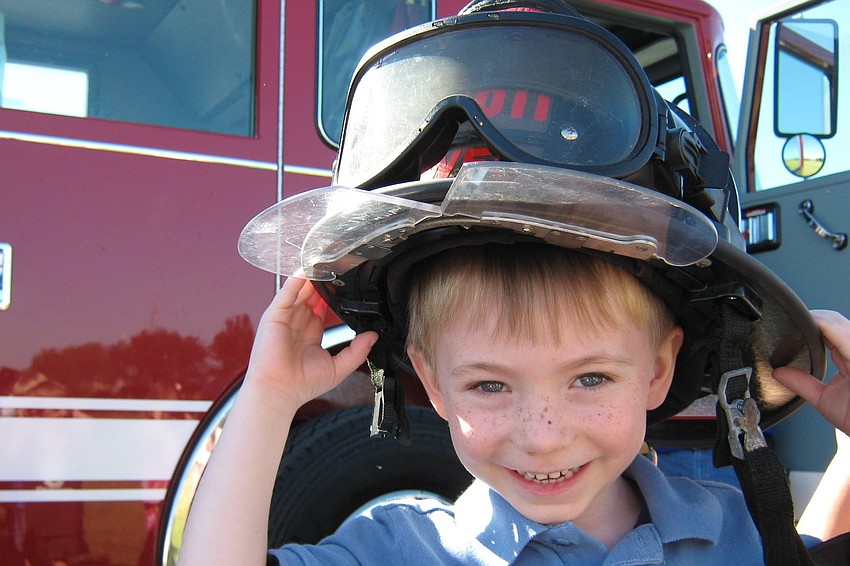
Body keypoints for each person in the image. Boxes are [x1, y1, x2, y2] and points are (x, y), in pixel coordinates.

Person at [180, 1, 850, 563]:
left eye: (590, 378)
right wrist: (267, 402)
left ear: (659, 367)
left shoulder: (729, 528)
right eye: (490, 385)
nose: (543, 435)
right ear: (432, 383)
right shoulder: (406, 549)